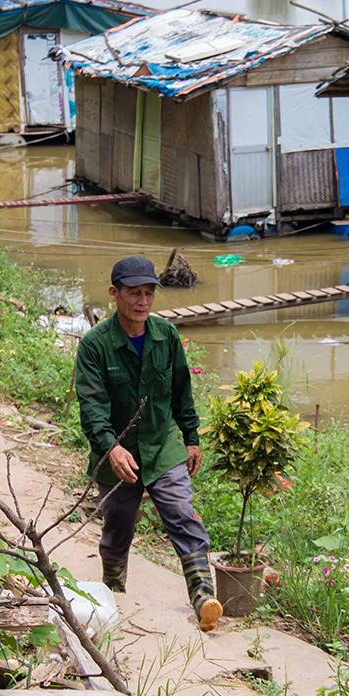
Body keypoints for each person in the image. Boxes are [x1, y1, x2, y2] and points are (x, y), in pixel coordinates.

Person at [75, 255, 221, 631]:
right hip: (117, 453)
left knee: (181, 514)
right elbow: (92, 407)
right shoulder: (95, 345)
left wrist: (190, 438)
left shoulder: (165, 335)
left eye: (149, 294)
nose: (142, 302)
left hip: (161, 447)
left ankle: (204, 598)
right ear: (114, 293)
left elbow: (181, 391)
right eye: (134, 294)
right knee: (118, 528)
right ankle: (112, 591)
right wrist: (111, 447)